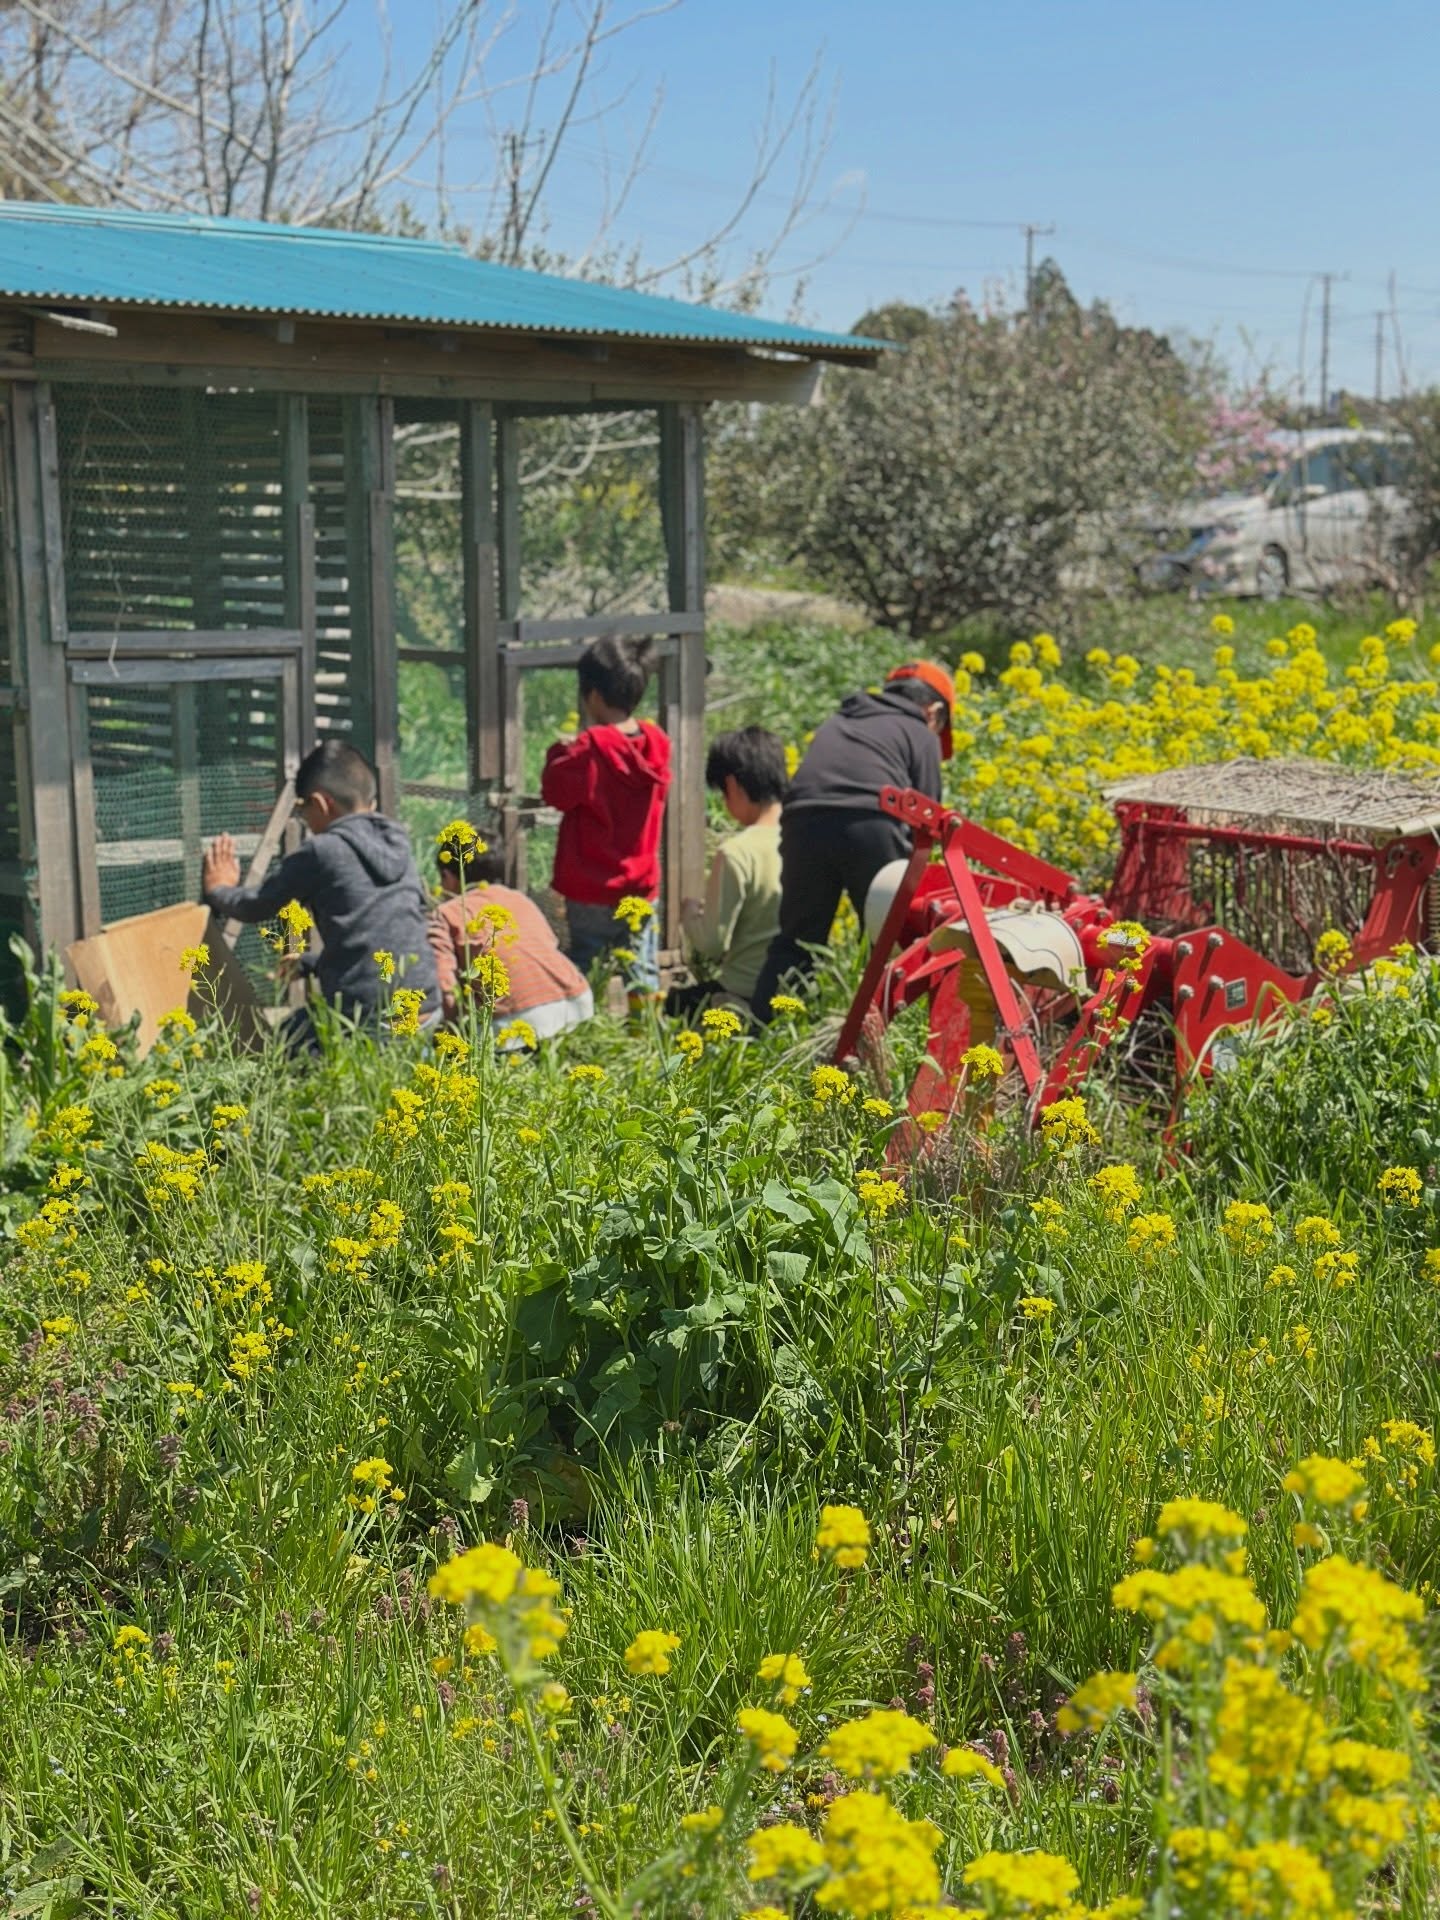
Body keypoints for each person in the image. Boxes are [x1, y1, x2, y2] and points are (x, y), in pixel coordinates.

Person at [201, 738, 439, 1050]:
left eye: (303, 810)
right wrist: (312, 963)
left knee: (279, 1047)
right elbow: (378, 934)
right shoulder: (398, 840)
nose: (305, 820)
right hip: (426, 1011)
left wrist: (219, 888)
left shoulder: (323, 851)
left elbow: (255, 906)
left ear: (321, 803)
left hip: (371, 1018)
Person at [750, 660, 955, 1020]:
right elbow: (927, 820)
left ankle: (762, 1032)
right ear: (934, 712)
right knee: (889, 944)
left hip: (802, 821)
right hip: (871, 822)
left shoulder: (839, 721)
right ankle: (879, 1033)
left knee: (796, 942)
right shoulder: (920, 731)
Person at [540, 634, 672, 993]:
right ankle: (644, 1024)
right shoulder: (656, 745)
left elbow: (554, 791)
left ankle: (587, 1022)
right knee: (641, 970)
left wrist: (559, 751)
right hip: (641, 884)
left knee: (586, 968)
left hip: (591, 887)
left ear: (594, 695)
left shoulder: (587, 751)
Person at [428, 830, 593, 1044]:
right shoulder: (518, 899)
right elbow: (550, 943)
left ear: (448, 876)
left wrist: (447, 1037)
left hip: (513, 1019)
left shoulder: (446, 914)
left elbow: (445, 986)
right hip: (575, 1002)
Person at [668, 726, 785, 1020]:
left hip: (743, 993)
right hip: (792, 993)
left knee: (672, 1007)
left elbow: (712, 943)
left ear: (733, 785)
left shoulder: (737, 852)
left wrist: (690, 914)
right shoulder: (806, 840)